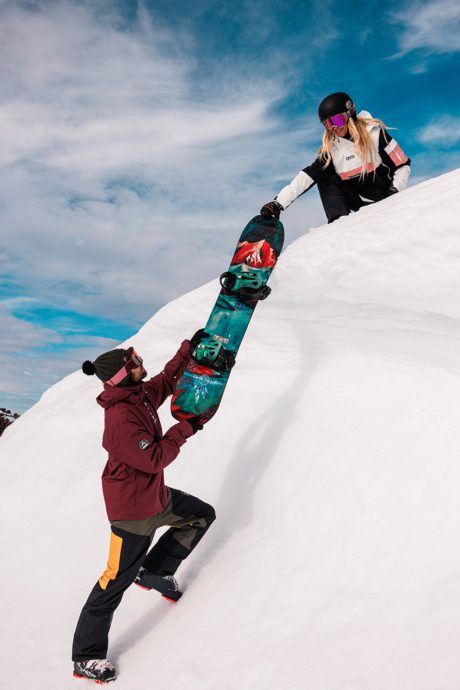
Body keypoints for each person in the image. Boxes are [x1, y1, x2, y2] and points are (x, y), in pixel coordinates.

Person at [72, 333, 215, 684]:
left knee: (201, 515)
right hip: (132, 513)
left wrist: (188, 350)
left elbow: (166, 381)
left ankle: (154, 571)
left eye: (136, 359)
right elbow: (153, 458)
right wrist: (186, 429)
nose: (140, 366)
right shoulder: (120, 418)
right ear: (122, 376)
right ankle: (85, 657)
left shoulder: (139, 395)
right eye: (134, 364)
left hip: (156, 497)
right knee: (111, 584)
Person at [260, 92, 411, 225]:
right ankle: (339, 224)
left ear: (349, 114)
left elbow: (402, 165)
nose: (334, 128)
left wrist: (395, 190)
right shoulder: (332, 150)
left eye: (337, 121)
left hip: (386, 198)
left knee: (325, 172)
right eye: (328, 124)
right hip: (359, 201)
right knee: (323, 174)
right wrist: (278, 203)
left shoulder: (376, 136)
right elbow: (307, 177)